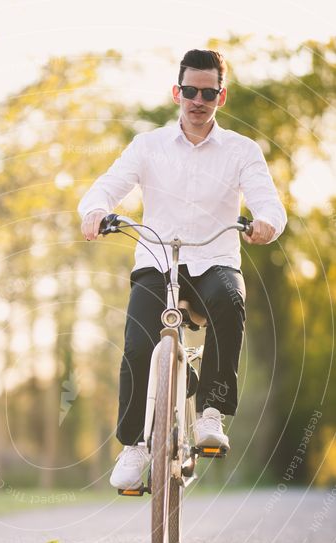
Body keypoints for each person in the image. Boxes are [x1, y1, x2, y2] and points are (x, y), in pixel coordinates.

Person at [78, 49, 287, 489]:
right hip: (157, 259)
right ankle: (134, 448)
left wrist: (267, 222)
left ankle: (211, 414)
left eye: (207, 92)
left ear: (221, 97)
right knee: (137, 345)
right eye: (189, 90)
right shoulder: (148, 145)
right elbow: (106, 187)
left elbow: (268, 202)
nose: (197, 100)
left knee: (230, 302)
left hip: (214, 260)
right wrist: (95, 211)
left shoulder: (241, 151)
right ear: (177, 91)